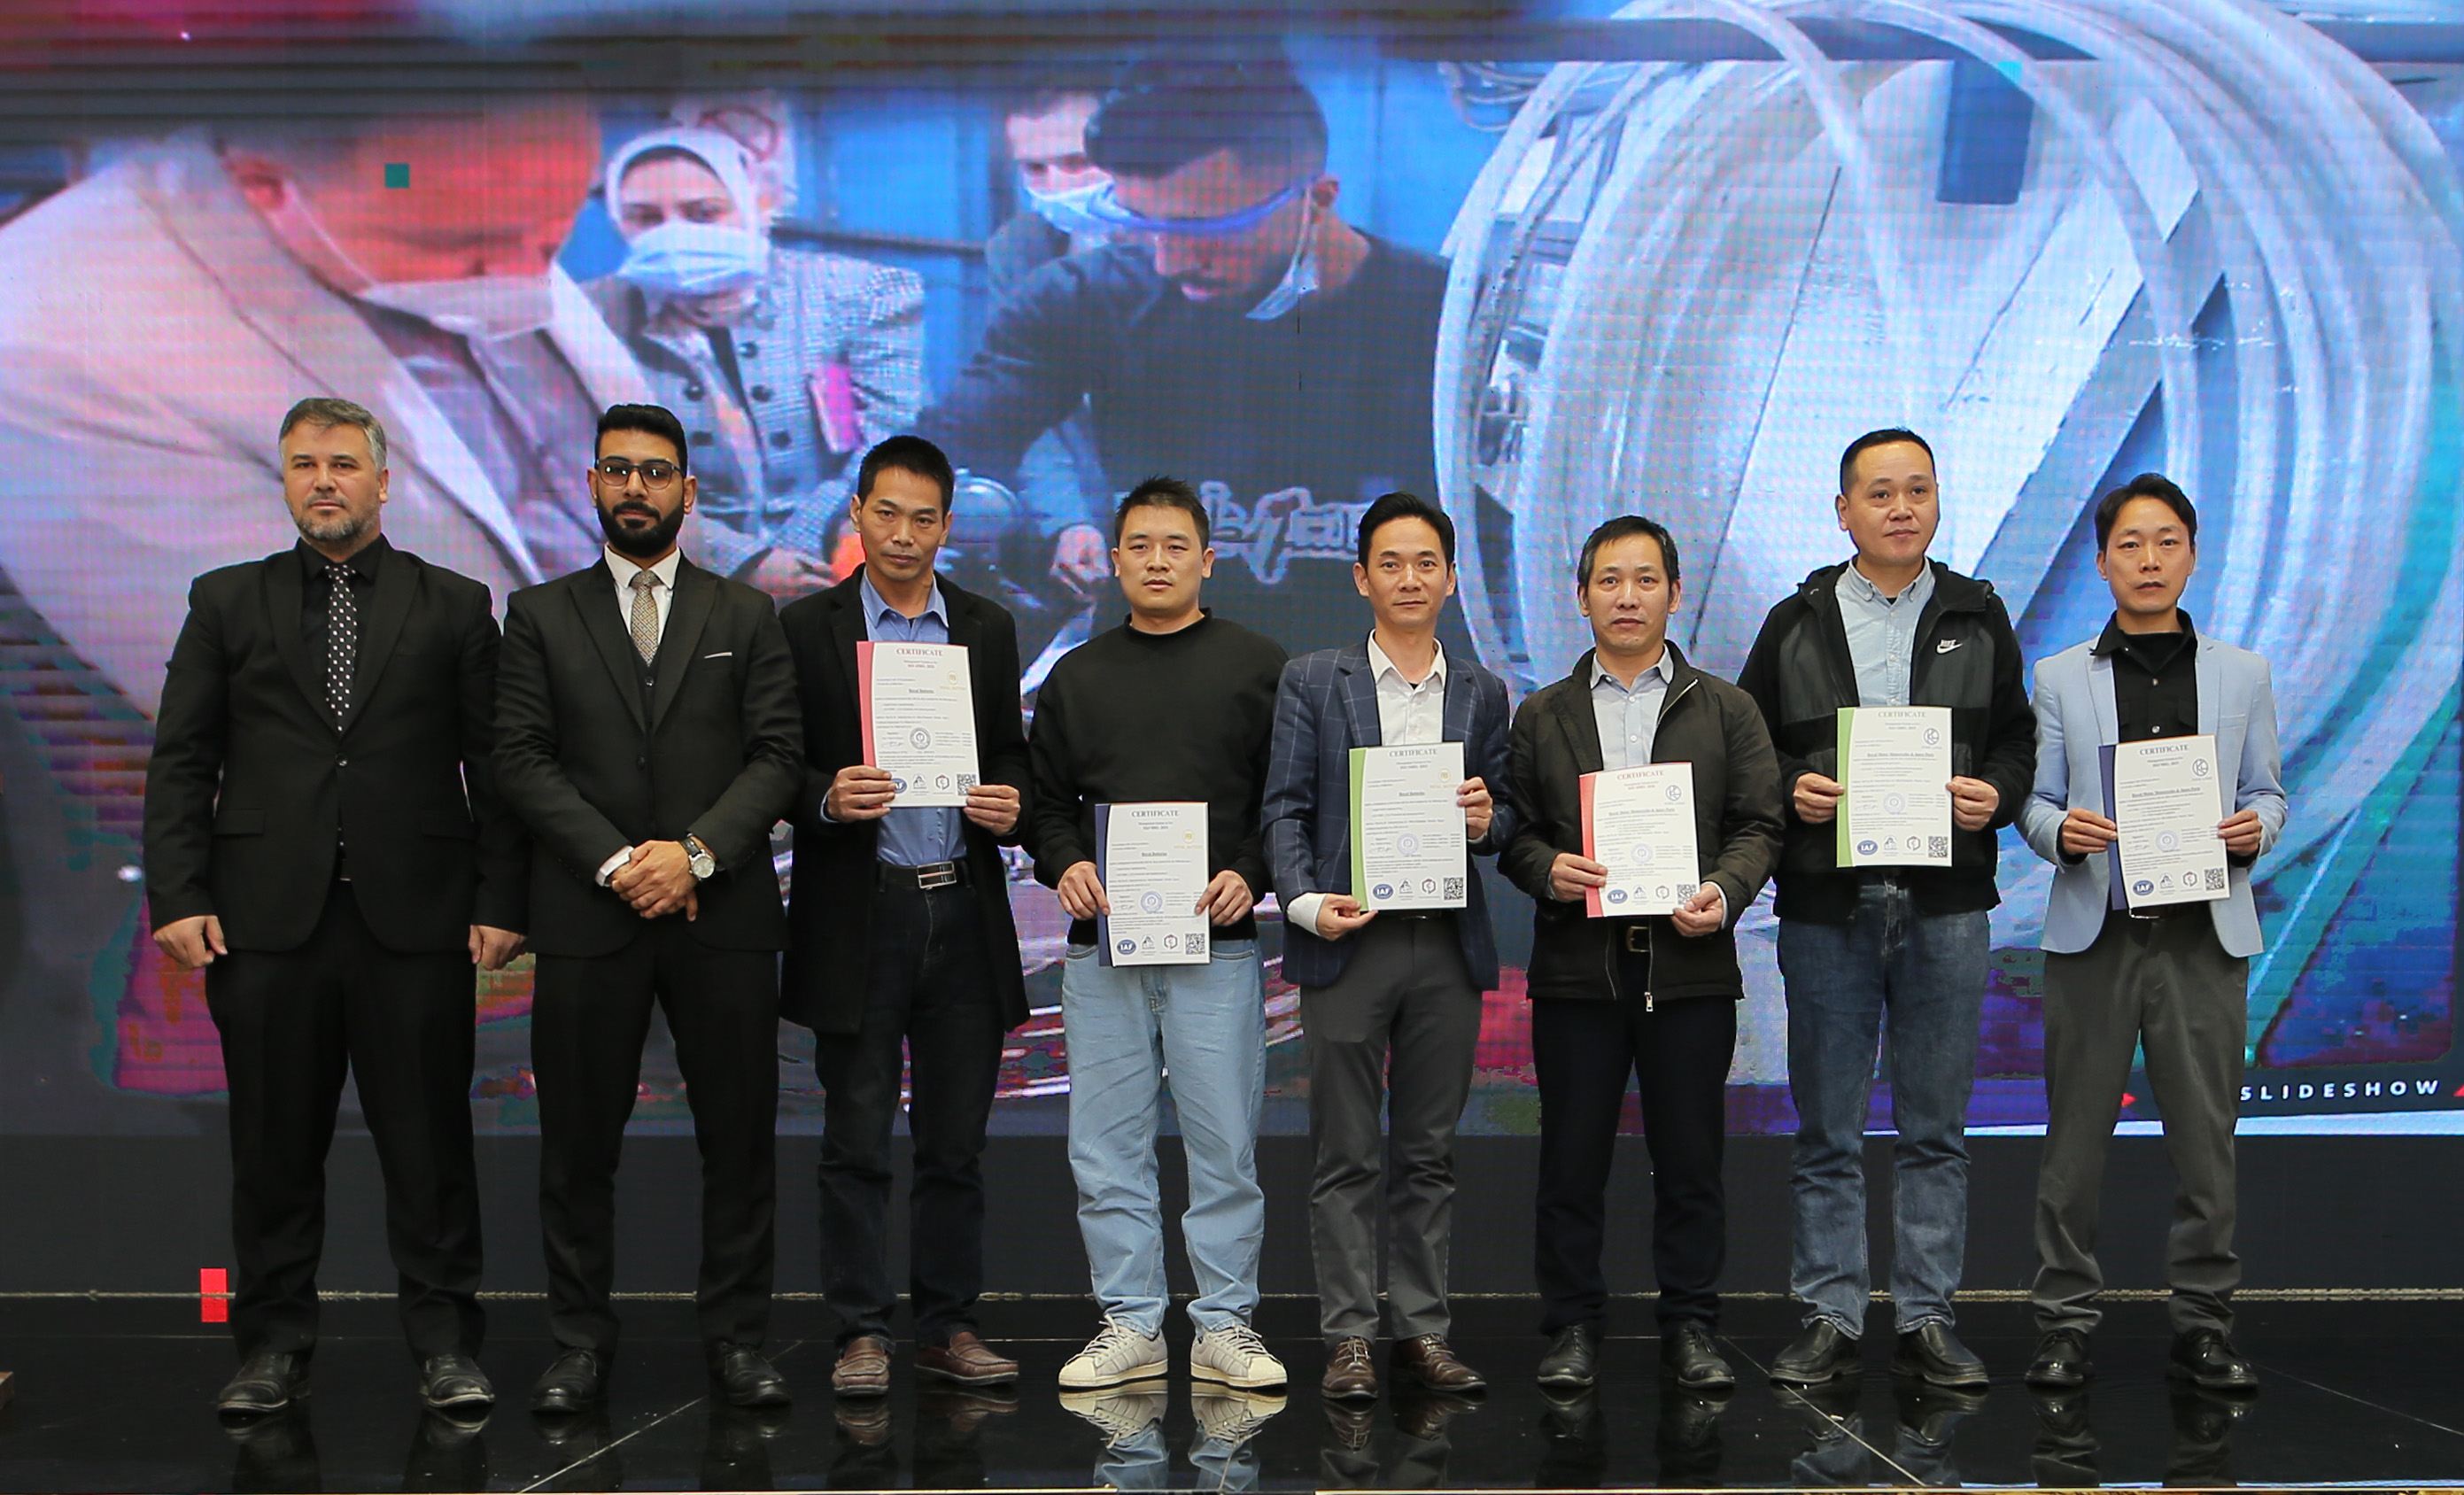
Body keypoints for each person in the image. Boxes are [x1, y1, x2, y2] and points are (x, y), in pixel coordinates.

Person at [143, 397, 527, 1415]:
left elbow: (495, 767)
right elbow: (182, 758)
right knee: (272, 1149)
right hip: (265, 922)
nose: (324, 479)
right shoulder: (226, 599)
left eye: (344, 463)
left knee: (430, 1147)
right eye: (304, 463)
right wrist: (177, 893)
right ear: (282, 480)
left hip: (419, 918)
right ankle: (271, 1348)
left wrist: (502, 897)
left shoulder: (455, 602)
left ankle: (445, 1345)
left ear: (383, 481)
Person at [920, 55, 1453, 659]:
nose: (1170, 261)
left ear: (1316, 199)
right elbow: (952, 441)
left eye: (1207, 230)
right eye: (1145, 224)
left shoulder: (1445, 320)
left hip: (1382, 676)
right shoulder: (1086, 301)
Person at [493, 403, 802, 1414]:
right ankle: (578, 1344)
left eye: (657, 472)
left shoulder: (746, 613)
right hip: (591, 918)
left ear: (689, 491)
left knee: (739, 1143)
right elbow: (519, 759)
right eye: (619, 470)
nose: (637, 487)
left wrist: (695, 855)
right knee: (577, 1148)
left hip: (722, 917)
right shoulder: (538, 614)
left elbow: (778, 757)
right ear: (592, 484)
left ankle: (738, 1342)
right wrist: (623, 861)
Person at [1735, 428, 2035, 1388]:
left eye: (1917, 490)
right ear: (1843, 511)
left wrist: (1997, 791)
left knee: (1933, 1129)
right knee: (1827, 1127)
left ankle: (1926, 1316)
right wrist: (1792, 785)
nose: (1900, 508)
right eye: (1879, 493)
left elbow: (2018, 739)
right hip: (1828, 906)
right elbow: (1748, 750)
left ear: (1937, 500)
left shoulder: (1978, 614)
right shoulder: (1795, 622)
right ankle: (1829, 1312)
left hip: (1947, 903)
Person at [1500, 515, 1783, 1393]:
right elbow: (1514, 832)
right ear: (1581, 596)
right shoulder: (1541, 712)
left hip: (1688, 967)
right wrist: (1547, 868)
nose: (1628, 596)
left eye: (1646, 579)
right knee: (1570, 1161)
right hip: (1577, 969)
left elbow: (1759, 823)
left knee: (1691, 1161)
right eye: (1609, 581)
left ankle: (1691, 1325)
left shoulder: (1726, 707)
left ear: (1674, 592)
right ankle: (1571, 1326)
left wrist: (1725, 890)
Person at [2016, 474, 2285, 1394]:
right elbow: (2035, 801)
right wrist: (2061, 832)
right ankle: (2063, 1325)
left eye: (2167, 541)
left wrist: (2256, 828)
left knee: (2206, 1144)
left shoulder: (2242, 672)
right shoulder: (2059, 675)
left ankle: (2203, 1326)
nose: (2149, 560)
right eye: (2129, 544)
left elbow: (2268, 791)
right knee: (2073, 1146)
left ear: (2192, 555)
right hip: (2097, 932)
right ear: (2101, 562)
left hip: (2203, 936)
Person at [777, 435, 1034, 1396]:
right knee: (854, 1140)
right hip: (861, 910)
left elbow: (1011, 753)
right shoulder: (807, 627)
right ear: (856, 513)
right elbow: (773, 760)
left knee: (954, 1145)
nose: (902, 534)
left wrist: (1009, 798)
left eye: (923, 518)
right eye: (885, 512)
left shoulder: (986, 626)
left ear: (948, 526)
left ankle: (946, 1326)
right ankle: (858, 1331)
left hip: (960, 906)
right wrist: (823, 795)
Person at [1028, 476, 1290, 1392]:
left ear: (1207, 560)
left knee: (1224, 1147)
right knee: (1106, 1147)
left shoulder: (1258, 665)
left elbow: (1285, 802)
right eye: (1138, 545)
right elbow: (1046, 804)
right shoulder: (1077, 675)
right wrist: (1065, 860)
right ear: (1113, 560)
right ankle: (1131, 1323)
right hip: (1104, 946)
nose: (1156, 561)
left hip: (1216, 944)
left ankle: (1224, 1325)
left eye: (1175, 545)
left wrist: (1250, 873)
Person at [1259, 491, 1514, 1401]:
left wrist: (1487, 822)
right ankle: (1349, 1337)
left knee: (1428, 1150)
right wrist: (1304, 902)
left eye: (1426, 563)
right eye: (1391, 563)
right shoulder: (1312, 679)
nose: (1410, 578)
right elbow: (1282, 809)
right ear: (1361, 577)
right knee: (1346, 1150)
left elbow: (1507, 815)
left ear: (1451, 579)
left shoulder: (1483, 690)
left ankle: (1421, 1330)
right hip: (1347, 940)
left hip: (1444, 943)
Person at [586, 125, 926, 599]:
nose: (676, 233)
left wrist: (805, 545)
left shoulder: (860, 292)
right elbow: (594, 470)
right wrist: (740, 562)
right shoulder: (588, 318)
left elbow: (892, 435)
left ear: (758, 204)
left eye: (704, 213)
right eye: (646, 218)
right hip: (676, 573)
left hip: (841, 547)